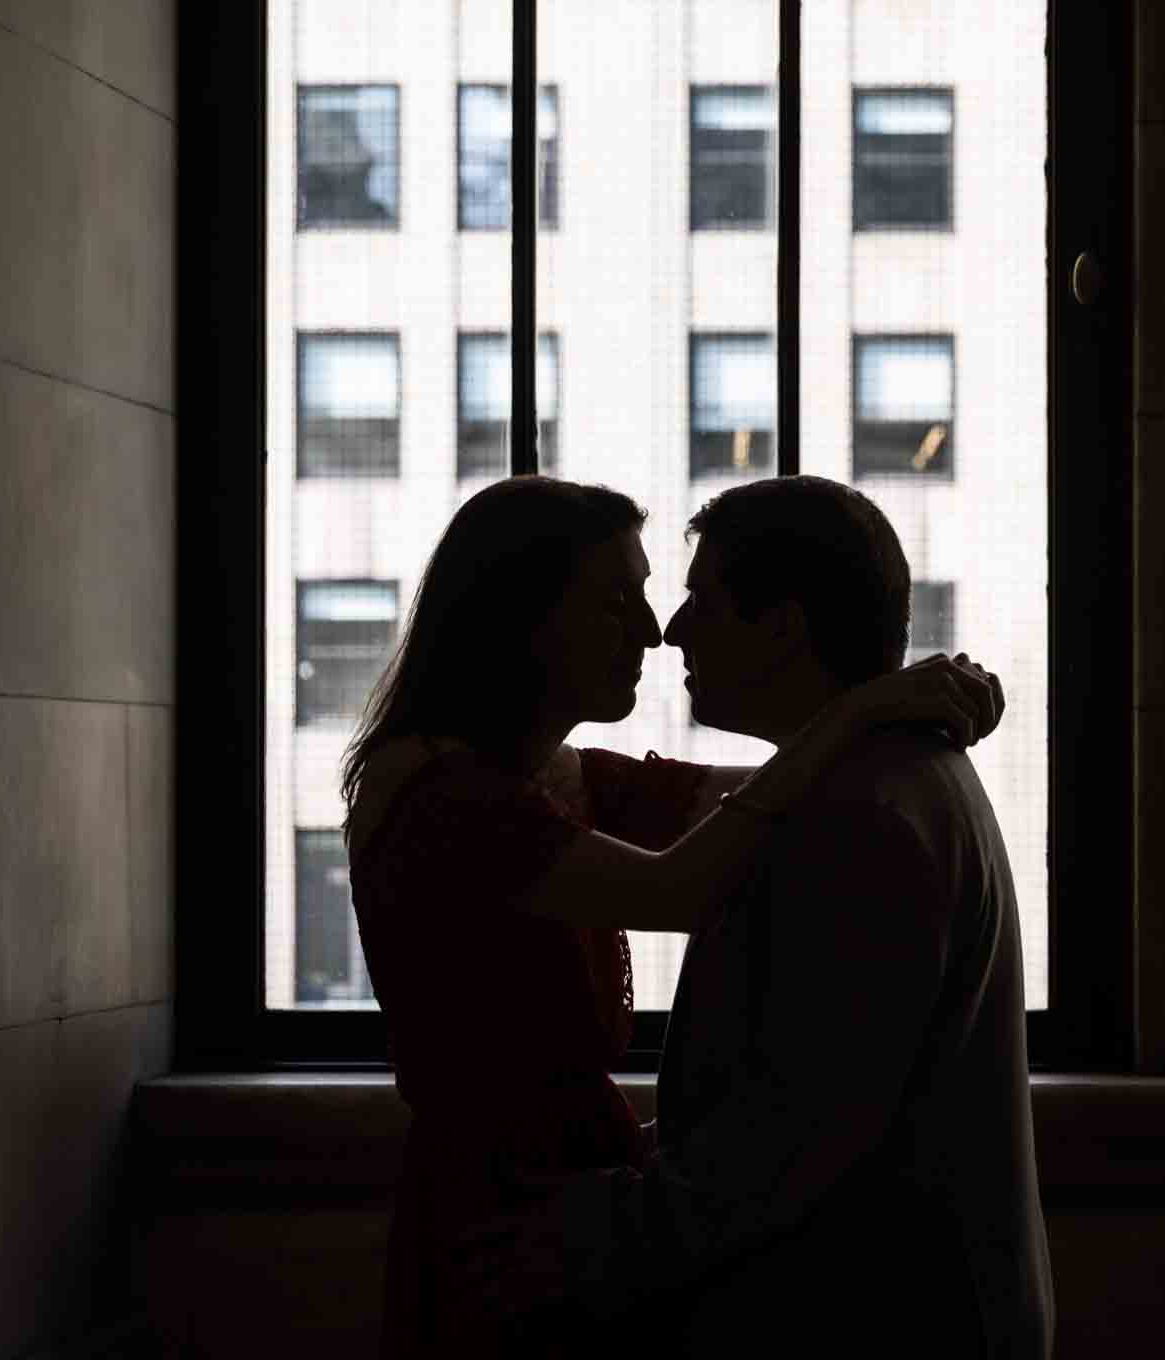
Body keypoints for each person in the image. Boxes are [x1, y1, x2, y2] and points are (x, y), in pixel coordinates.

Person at [342, 475, 1003, 1358]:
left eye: (668, 596)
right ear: (524, 620)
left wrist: (868, 729)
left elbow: (768, 808)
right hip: (509, 1223)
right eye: (619, 601)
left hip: (577, 1215)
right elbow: (678, 887)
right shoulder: (447, 801)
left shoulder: (567, 779)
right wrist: (859, 711)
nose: (657, 630)